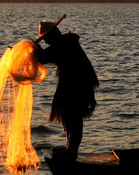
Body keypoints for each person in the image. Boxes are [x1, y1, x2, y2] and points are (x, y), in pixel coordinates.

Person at [34, 19, 99, 160]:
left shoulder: (64, 45)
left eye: (45, 38)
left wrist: (33, 46)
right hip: (73, 85)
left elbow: (43, 58)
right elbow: (45, 55)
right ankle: (70, 147)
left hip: (78, 86)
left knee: (73, 117)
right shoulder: (63, 43)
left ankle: (71, 151)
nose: (44, 42)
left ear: (52, 35)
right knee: (69, 117)